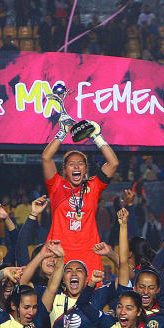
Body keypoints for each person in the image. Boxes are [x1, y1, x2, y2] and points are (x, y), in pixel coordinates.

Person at [41, 112, 119, 276]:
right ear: (64, 170)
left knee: (90, 298)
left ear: (85, 169)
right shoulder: (56, 186)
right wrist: (62, 131)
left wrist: (97, 137)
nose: (76, 167)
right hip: (58, 252)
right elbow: (46, 157)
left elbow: (113, 162)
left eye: (80, 164)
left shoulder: (94, 185)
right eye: (71, 164)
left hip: (89, 252)